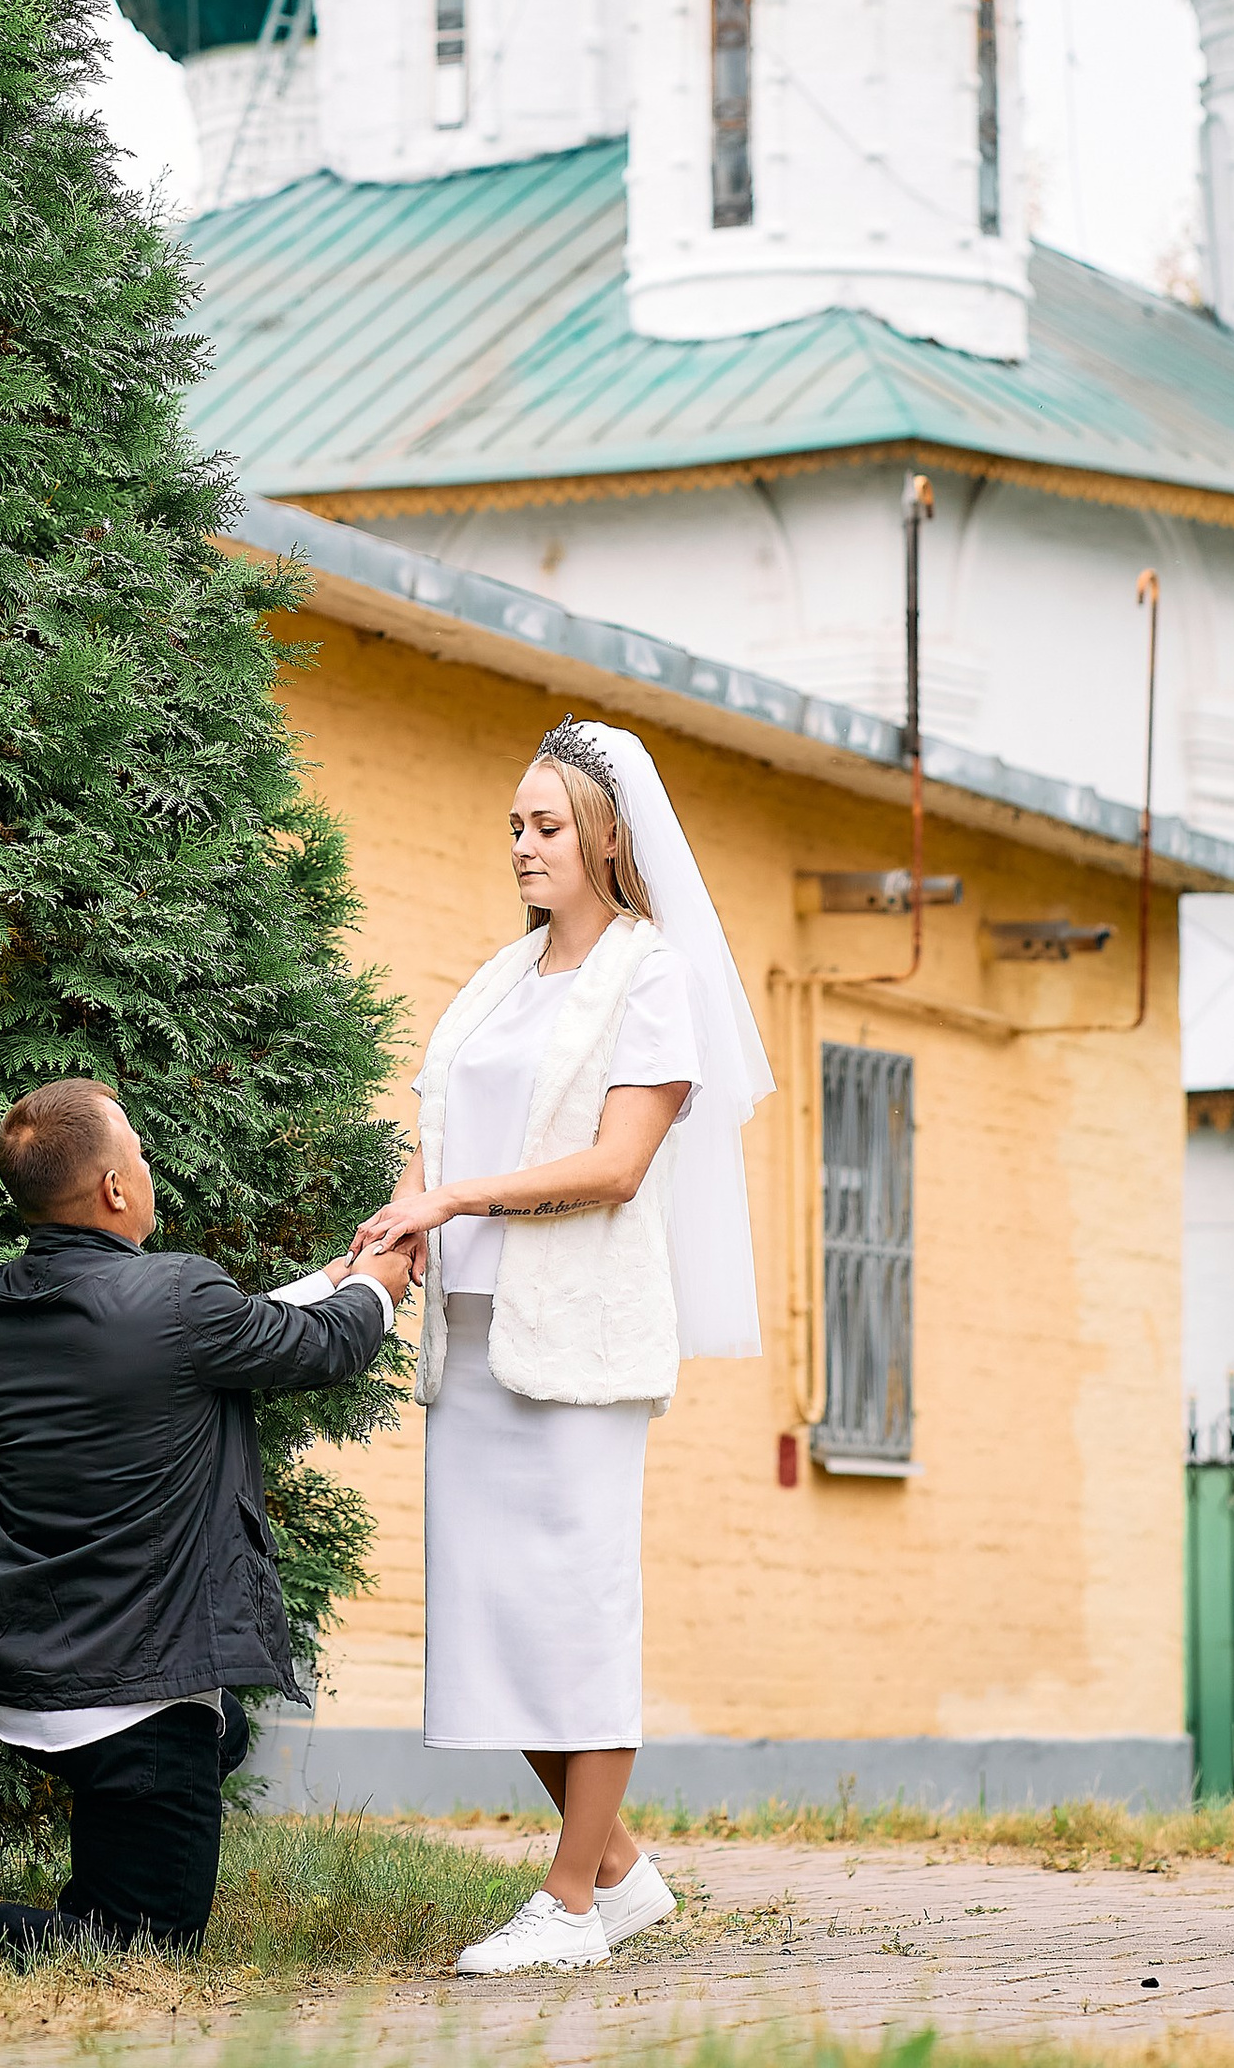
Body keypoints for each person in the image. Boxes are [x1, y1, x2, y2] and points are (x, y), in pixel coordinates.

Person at [350, 717, 774, 1975]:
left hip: (581, 1342)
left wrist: (457, 1201)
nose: (524, 848)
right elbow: (437, 1127)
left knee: (578, 1613)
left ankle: (570, 1909)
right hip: (474, 1341)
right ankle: (626, 1873)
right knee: (493, 1617)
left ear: (603, 837)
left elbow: (617, 1164)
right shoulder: (498, 979)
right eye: (516, 829)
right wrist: (397, 1218)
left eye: (545, 827)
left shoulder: (653, 978)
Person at [0, 1079, 408, 1958]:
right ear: (115, 1190)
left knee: (219, 1733)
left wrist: (334, 1274)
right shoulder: (171, 1300)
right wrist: (377, 1286)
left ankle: (142, 1816)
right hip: (136, 1689)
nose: (146, 1164)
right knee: (143, 1942)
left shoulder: (0, 1305)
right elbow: (323, 1345)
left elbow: (223, 1330)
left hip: (41, 1661)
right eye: (135, 1151)